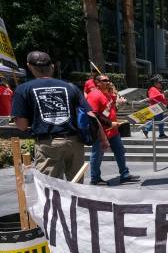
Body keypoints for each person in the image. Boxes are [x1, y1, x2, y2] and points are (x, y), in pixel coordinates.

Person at [11, 51, 109, 180]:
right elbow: (91, 115)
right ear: (52, 66)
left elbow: (22, 125)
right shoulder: (70, 87)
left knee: (51, 189)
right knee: (76, 188)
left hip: (48, 144)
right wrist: (103, 139)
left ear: (29, 66)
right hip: (74, 142)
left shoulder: (23, 89)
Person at [87, 74, 140, 185]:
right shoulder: (94, 95)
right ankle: (95, 179)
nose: (108, 82)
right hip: (101, 132)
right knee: (97, 155)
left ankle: (124, 174)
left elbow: (109, 110)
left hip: (113, 131)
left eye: (108, 80)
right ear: (97, 83)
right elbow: (94, 115)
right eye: (105, 80)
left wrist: (119, 105)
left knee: (120, 152)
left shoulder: (107, 94)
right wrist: (110, 123)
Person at [142, 75, 168, 139]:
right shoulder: (152, 89)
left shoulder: (157, 89)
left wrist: (165, 104)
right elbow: (152, 97)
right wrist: (162, 103)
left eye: (161, 82)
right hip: (156, 107)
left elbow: (160, 97)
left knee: (160, 121)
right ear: (155, 83)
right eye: (159, 82)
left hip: (159, 107)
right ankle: (146, 129)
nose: (161, 84)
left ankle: (161, 134)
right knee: (157, 120)